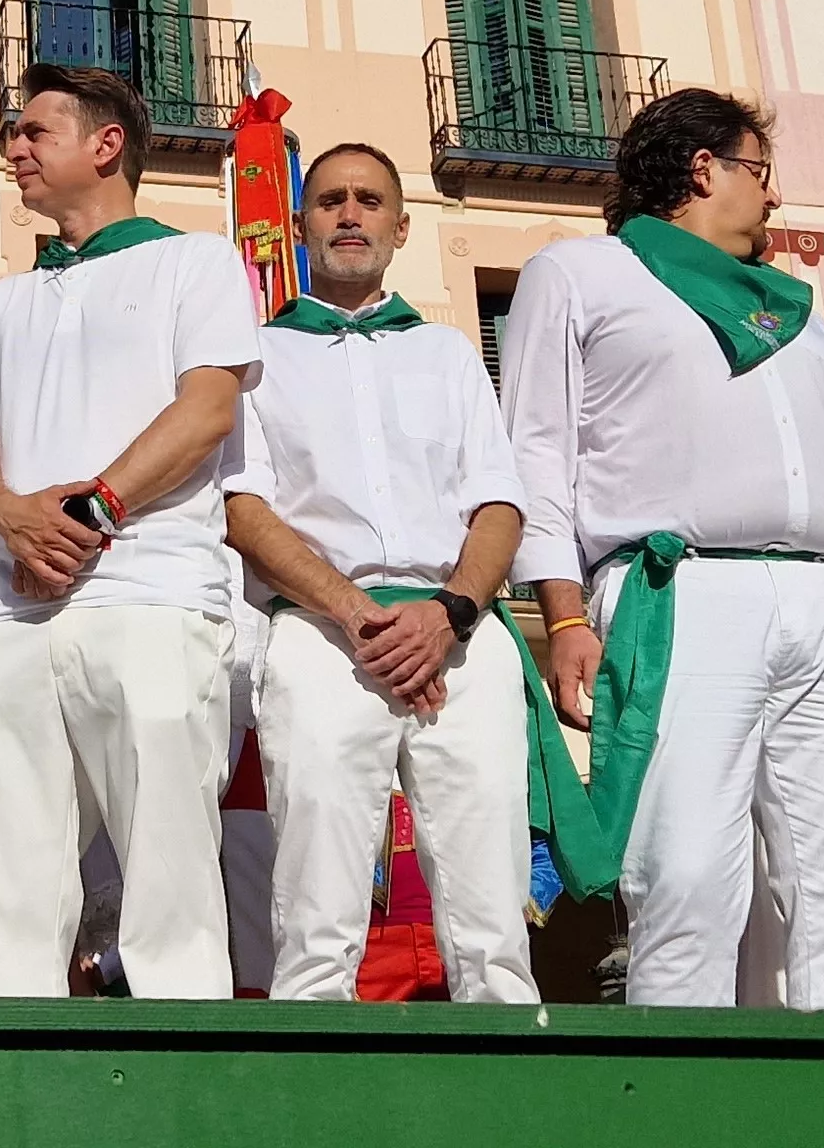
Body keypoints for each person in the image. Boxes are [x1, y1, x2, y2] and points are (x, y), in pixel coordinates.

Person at [508, 89, 824, 1010]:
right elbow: (535, 450)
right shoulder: (581, 274)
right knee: (685, 883)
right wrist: (562, 609)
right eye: (759, 171)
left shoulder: (795, 311)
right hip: (681, 594)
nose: (771, 197)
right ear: (703, 169)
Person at [0, 62, 261, 998]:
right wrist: (9, 514)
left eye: (35, 132)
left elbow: (206, 409)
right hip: (8, 610)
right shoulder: (4, 300)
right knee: (3, 887)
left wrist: (89, 510)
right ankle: (12, 1107)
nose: (14, 150)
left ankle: (184, 1109)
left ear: (105, 144)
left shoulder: (195, 260)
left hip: (150, 593)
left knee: (170, 884)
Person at [225, 141, 569, 1003]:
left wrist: (449, 612)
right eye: (332, 200)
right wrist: (353, 613)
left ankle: (505, 1118)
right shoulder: (256, 358)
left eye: (369, 200)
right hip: (318, 634)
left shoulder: (449, 354)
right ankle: (315, 1122)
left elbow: (497, 503)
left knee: (492, 916)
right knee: (315, 917)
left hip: (457, 634)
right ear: (300, 224)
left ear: (401, 226)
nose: (349, 214)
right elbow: (243, 510)